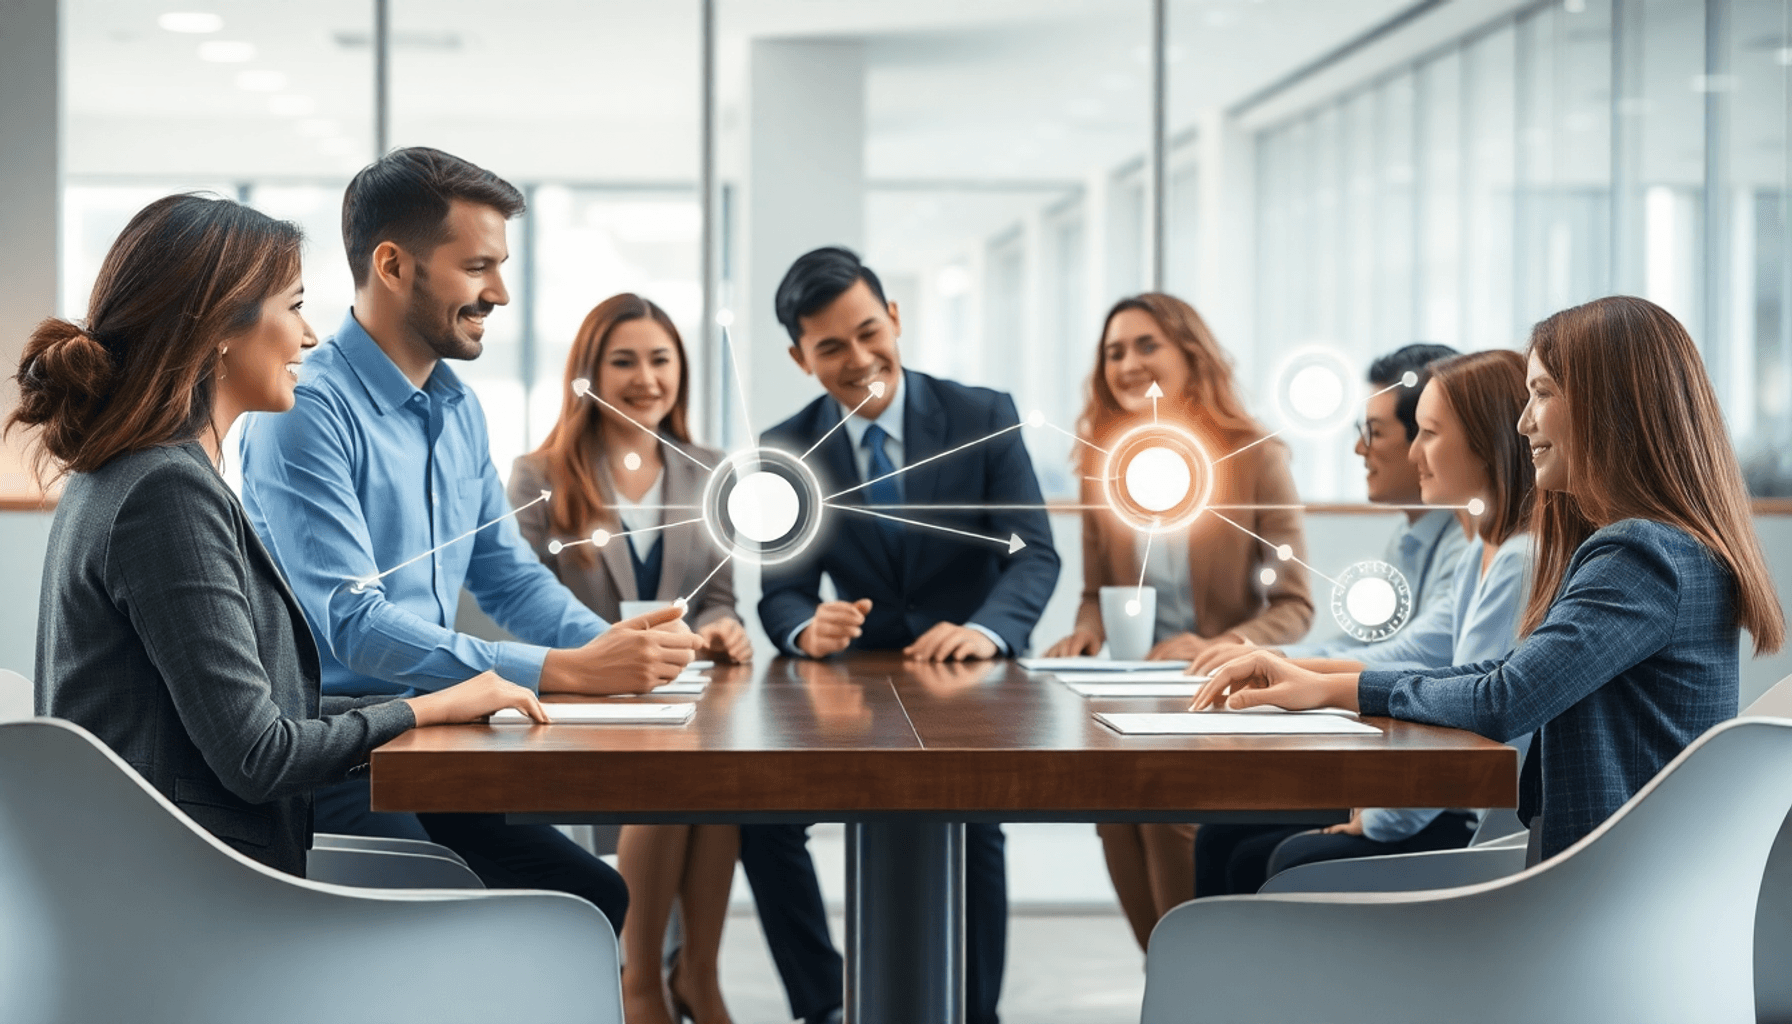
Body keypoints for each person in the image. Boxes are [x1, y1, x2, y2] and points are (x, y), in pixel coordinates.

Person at [10, 194, 548, 880]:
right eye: (292, 306)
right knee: (546, 905)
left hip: (159, 878)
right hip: (193, 901)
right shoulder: (164, 492)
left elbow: (253, 715)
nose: (310, 336)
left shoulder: (134, 473)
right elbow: (259, 756)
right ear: (218, 331)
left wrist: (426, 705)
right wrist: (422, 709)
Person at [238, 148, 703, 931]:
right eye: (478, 266)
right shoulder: (307, 409)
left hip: (438, 738)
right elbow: (352, 621)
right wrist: (564, 670)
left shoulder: (456, 408)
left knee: (590, 897)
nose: (500, 292)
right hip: (340, 752)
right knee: (456, 920)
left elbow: (507, 577)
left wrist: (625, 656)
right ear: (393, 265)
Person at [1195, 295, 1785, 864]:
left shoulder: (1640, 557)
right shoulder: (1668, 549)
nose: (1524, 421)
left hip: (1595, 897)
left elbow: (1506, 699)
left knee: (1270, 875)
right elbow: (1503, 675)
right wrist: (1318, 677)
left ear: (1611, 407)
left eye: (1542, 393)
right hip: (1616, 881)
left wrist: (1335, 688)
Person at [746, 246, 1061, 1024]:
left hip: (966, 677)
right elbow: (780, 593)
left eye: (867, 332)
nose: (858, 359)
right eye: (830, 347)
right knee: (760, 819)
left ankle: (973, 1012)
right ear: (800, 357)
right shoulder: (786, 449)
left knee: (974, 825)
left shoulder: (984, 415)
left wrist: (989, 631)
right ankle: (825, 1003)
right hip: (846, 684)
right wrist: (803, 630)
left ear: (894, 317)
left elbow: (1034, 552)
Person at [1191, 349, 1535, 895]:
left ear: (1485, 442)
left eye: (1429, 433)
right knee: (1227, 840)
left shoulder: (1515, 559)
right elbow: (1430, 668)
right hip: (1444, 797)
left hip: (1477, 823)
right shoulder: (1481, 553)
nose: (1417, 452)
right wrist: (1295, 672)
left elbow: (1472, 707)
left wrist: (1380, 814)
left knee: (1284, 857)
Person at [1038, 292, 1313, 951]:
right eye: (1113, 353)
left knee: (1167, 819)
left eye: (1145, 345)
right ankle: (1165, 978)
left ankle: (1188, 982)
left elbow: (1297, 605)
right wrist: (1085, 632)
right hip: (1134, 687)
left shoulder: (1254, 455)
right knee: (1113, 817)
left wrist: (1221, 645)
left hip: (1220, 691)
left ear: (1192, 355)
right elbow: (1095, 591)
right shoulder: (1102, 462)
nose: (1127, 364)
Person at [510, 293, 745, 1024]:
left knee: (719, 780)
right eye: (624, 361)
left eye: (660, 359)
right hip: (585, 705)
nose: (646, 377)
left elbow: (719, 597)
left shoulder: (710, 472)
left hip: (685, 697)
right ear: (589, 373)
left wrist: (726, 628)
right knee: (671, 778)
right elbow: (515, 604)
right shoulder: (539, 475)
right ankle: (641, 982)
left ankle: (697, 977)